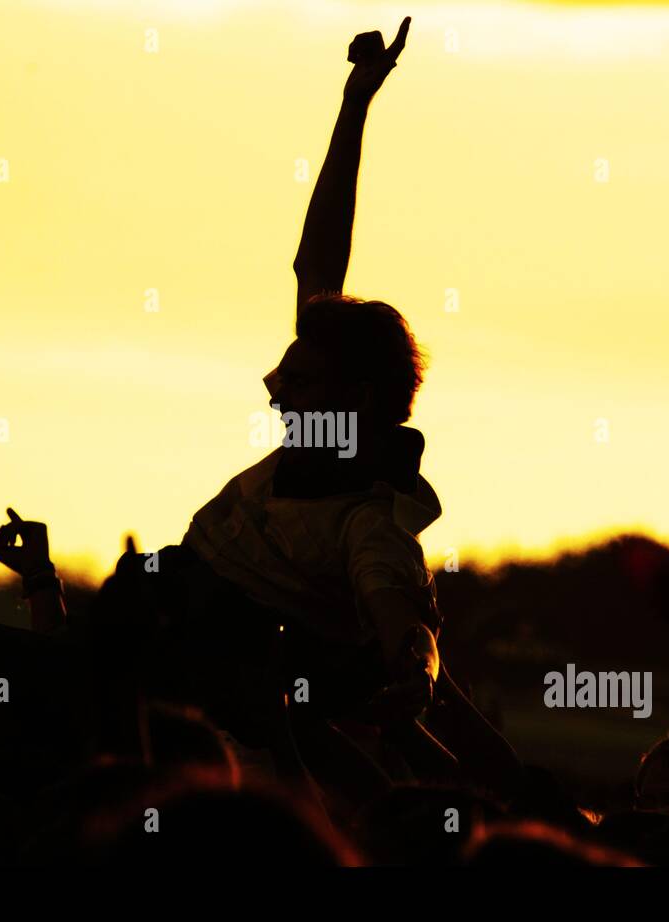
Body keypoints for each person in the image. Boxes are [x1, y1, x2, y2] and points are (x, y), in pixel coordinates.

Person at [178, 16, 442, 728]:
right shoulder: (313, 458)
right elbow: (317, 262)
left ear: (352, 398)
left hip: (202, 690)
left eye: (297, 379)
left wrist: (414, 674)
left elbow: (400, 619)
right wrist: (356, 105)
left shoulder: (369, 522)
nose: (273, 388)